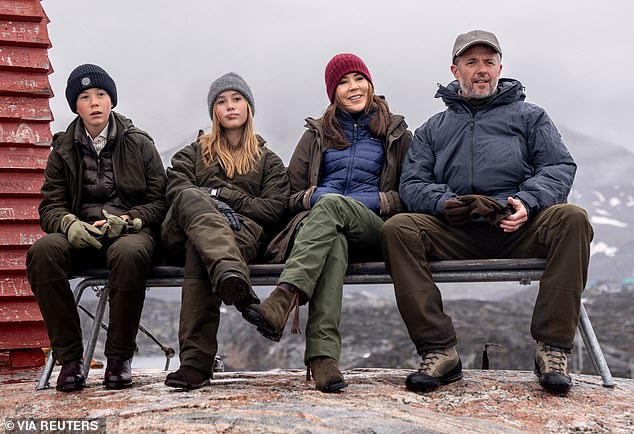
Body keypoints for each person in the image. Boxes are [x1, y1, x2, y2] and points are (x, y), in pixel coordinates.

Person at [381, 30, 593, 395]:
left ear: (500, 68)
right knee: (399, 228)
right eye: (472, 62)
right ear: (455, 69)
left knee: (573, 219)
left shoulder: (531, 117)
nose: (482, 70)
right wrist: (444, 204)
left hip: (516, 226)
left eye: (489, 62)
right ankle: (438, 351)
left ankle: (552, 350)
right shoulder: (433, 129)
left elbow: (558, 167)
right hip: (456, 230)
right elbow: (412, 184)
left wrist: (526, 202)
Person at [242, 54, 412, 393]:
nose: (353, 88)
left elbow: (407, 194)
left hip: (374, 227)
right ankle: (322, 358)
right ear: (332, 92)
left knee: (333, 207)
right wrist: (314, 200)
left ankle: (285, 295)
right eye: (343, 82)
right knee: (332, 237)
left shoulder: (395, 133)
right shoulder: (316, 135)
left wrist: (365, 201)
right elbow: (290, 196)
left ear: (370, 83)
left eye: (358, 79)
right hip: (323, 230)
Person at [26, 64, 168, 391]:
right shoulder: (62, 150)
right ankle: (70, 360)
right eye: (85, 97)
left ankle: (119, 359)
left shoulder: (139, 143)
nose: (94, 103)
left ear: (111, 101)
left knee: (130, 253)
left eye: (101, 95)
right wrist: (68, 224)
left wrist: (130, 221)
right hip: (81, 236)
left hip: (129, 232)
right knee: (43, 252)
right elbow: (50, 206)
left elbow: (160, 201)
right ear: (75, 105)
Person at [162, 72, 289, 390]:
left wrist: (224, 196)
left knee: (201, 247)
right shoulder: (192, 154)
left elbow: (274, 210)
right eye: (221, 101)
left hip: (241, 236)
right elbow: (177, 191)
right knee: (191, 199)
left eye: (237, 99)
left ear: (249, 107)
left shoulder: (268, 161)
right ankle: (231, 278)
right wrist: (212, 207)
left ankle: (194, 364)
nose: (230, 106)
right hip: (183, 230)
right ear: (213, 111)